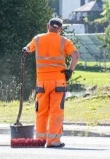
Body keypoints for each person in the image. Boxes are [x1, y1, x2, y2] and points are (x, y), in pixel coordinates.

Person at [22, 18, 79, 148]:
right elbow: (75, 56)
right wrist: (69, 71)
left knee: (41, 111)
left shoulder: (38, 39)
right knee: (56, 111)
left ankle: (40, 140)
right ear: (60, 29)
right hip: (59, 82)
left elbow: (27, 49)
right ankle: (53, 141)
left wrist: (25, 50)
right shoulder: (64, 41)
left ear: (47, 26)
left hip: (41, 82)